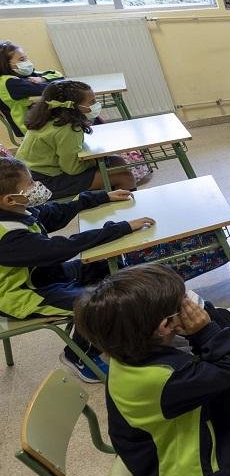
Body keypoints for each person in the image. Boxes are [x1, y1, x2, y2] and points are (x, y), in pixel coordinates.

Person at [74, 265, 230, 475]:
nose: (190, 305)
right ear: (165, 326)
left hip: (165, 440)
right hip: (185, 466)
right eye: (183, 303)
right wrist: (204, 331)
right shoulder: (166, 377)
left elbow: (226, 321)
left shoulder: (129, 350)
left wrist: (205, 317)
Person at [0, 156, 153, 382]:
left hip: (46, 274)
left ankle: (119, 330)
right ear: (10, 199)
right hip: (23, 294)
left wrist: (102, 197)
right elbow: (62, 247)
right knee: (95, 304)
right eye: (30, 183)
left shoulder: (17, 210)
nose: (37, 186)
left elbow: (54, 213)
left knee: (110, 265)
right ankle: (78, 356)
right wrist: (120, 228)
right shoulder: (7, 237)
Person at [16, 80, 136, 199]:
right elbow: (73, 169)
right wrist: (96, 160)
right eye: (92, 102)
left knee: (117, 161)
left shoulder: (48, 118)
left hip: (28, 174)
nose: (96, 104)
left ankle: (111, 199)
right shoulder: (67, 128)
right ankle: (121, 205)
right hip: (43, 182)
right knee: (124, 177)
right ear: (73, 106)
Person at [0, 40, 64, 137]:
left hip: (41, 123)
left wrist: (43, 79)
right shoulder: (9, 83)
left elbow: (57, 74)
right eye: (22, 60)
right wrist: (49, 82)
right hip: (31, 130)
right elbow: (49, 88)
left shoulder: (23, 74)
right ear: (5, 64)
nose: (27, 62)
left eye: (26, 58)